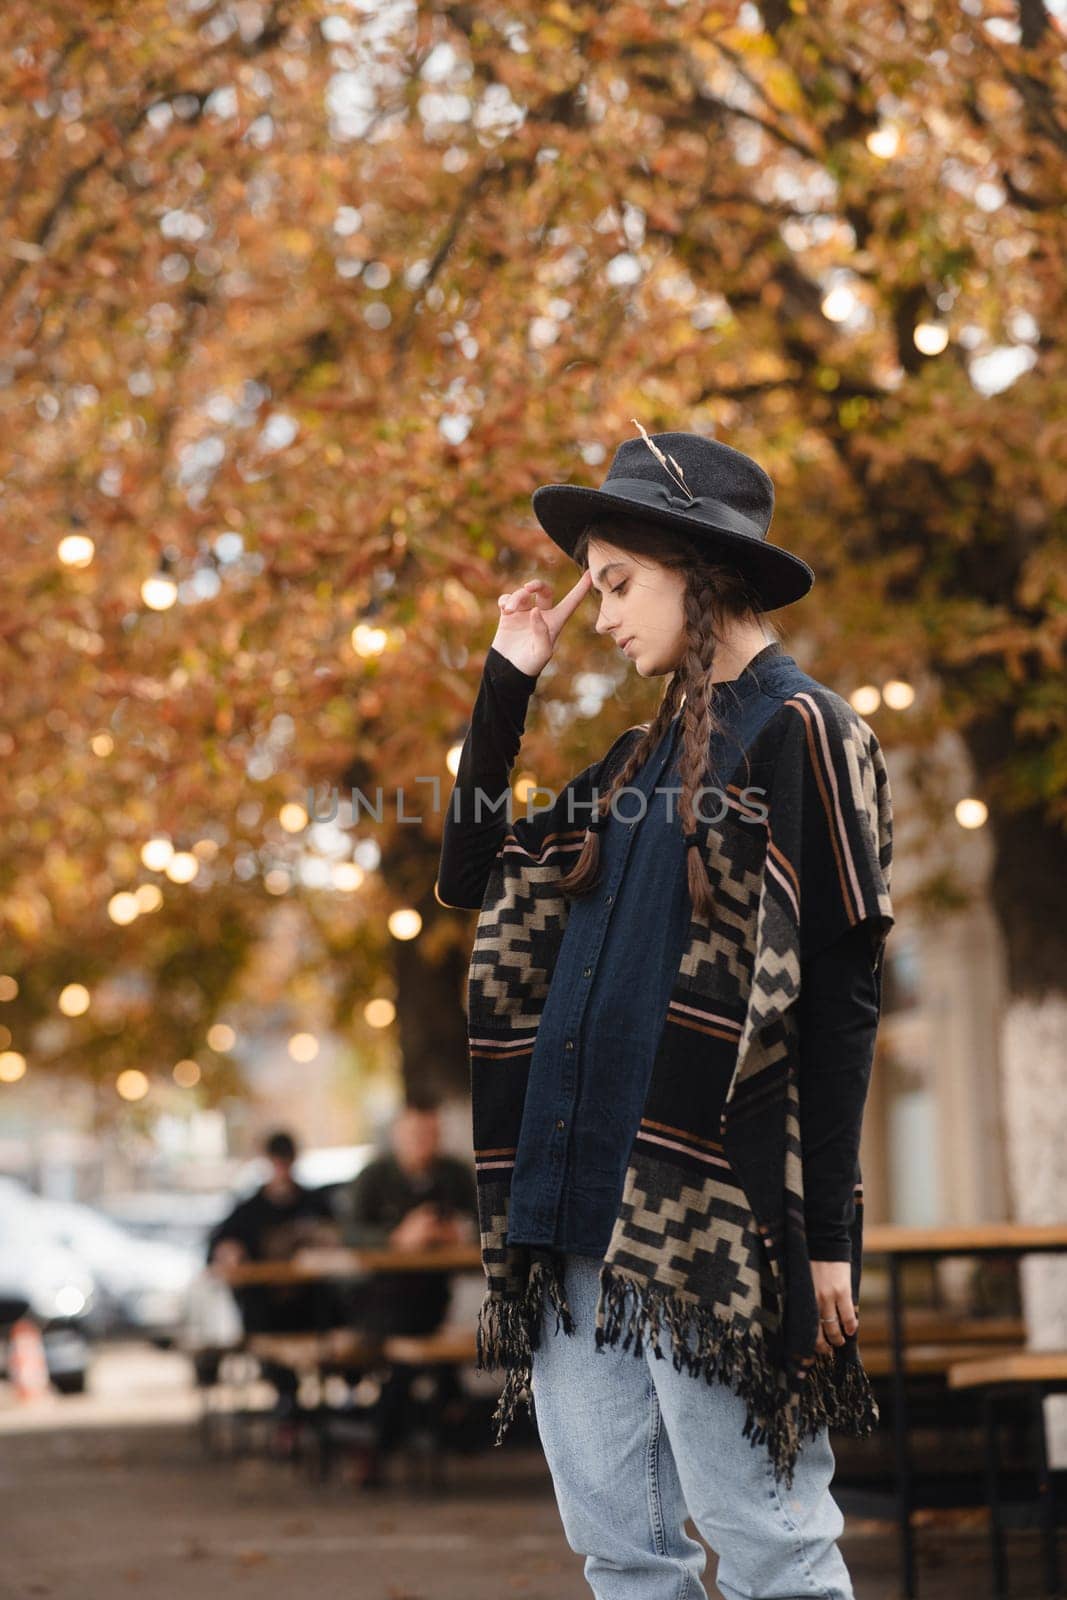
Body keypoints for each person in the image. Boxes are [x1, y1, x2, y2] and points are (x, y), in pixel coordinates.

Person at [436, 425, 895, 1600]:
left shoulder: (802, 729)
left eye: (617, 582)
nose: (597, 613)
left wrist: (830, 1231)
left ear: (700, 571)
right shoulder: (635, 760)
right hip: (569, 1205)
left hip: (704, 1221)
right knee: (621, 1556)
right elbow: (469, 864)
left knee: (770, 1548)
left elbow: (840, 1001)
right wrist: (508, 674)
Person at [339, 1095, 479, 1480]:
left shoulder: (453, 1174)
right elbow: (350, 1234)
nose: (424, 1141)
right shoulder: (375, 1176)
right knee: (411, 1347)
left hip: (433, 1300)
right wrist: (398, 1237)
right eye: (416, 1133)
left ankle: (378, 1441)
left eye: (431, 1133)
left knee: (411, 1350)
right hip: (378, 1299)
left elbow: (486, 1219)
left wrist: (456, 1231)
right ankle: (450, 1408)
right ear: (398, 1134)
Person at [207, 1129, 341, 1419]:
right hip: (267, 1310)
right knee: (268, 1342)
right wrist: (227, 1250)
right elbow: (218, 1245)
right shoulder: (250, 1209)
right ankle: (289, 1408)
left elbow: (338, 1238)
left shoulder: (314, 1204)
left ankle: (308, 1416)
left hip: (310, 1307)